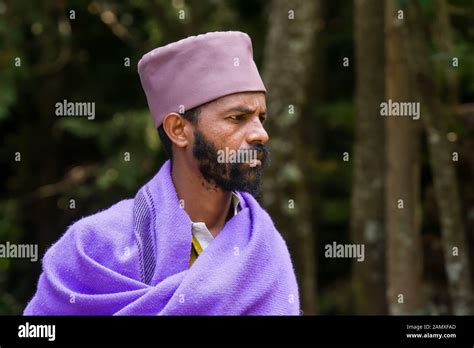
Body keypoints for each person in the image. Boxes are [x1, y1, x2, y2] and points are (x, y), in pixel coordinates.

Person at [24, 31, 300, 315]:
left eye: (260, 118)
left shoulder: (265, 250)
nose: (260, 134)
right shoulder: (91, 247)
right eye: (237, 118)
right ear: (178, 130)